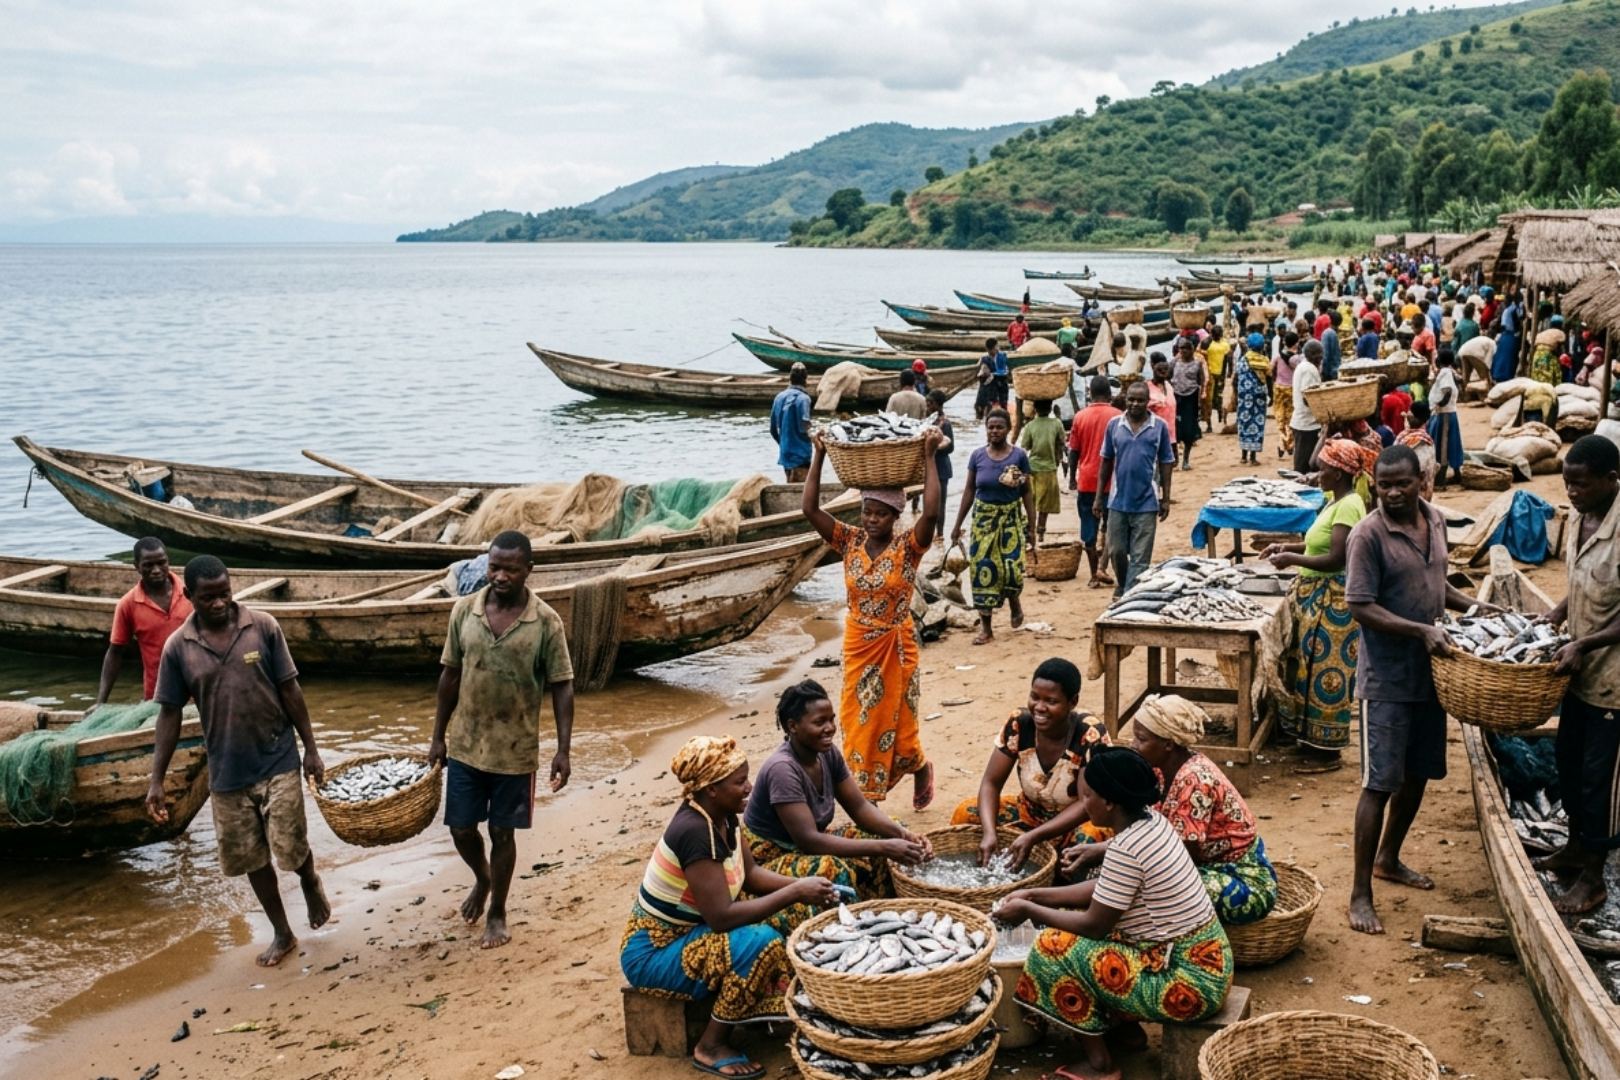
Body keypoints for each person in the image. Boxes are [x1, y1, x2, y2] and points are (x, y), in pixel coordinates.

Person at [998, 749, 1233, 1080]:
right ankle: (1126, 1031)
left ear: (1109, 803)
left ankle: (1100, 1067)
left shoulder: (1126, 850)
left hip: (1188, 986)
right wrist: (1035, 895)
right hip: (1210, 962)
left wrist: (1028, 909)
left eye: (1088, 795)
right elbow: (1104, 893)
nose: (1084, 802)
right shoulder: (1153, 821)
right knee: (1084, 929)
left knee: (1053, 948)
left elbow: (1094, 924)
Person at [146, 555, 329, 968]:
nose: (219, 603)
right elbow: (169, 714)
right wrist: (156, 780)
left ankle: (308, 879)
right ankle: (282, 932)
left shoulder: (262, 626)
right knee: (250, 857)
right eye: (208, 597)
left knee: (290, 845)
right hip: (227, 771)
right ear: (189, 595)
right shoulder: (179, 648)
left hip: (278, 756)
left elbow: (291, 690)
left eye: (225, 593)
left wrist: (311, 749)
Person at [621, 735, 836, 1080]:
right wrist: (796, 889)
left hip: (692, 931)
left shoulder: (724, 817)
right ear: (711, 789)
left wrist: (808, 891)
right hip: (654, 951)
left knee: (798, 912)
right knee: (759, 941)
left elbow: (749, 875)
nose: (749, 787)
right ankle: (711, 1045)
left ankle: (756, 1008)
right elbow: (721, 918)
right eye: (740, 782)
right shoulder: (694, 831)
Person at [1345, 446, 1491, 935]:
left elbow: (1437, 582)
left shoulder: (1436, 519)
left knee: (1419, 773)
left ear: (1421, 480)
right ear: (1374, 484)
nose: (1392, 492)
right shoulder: (1367, 535)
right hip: (1387, 678)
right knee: (1378, 783)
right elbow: (1361, 606)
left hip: (1434, 675)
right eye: (1383, 484)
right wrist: (1420, 630)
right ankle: (1361, 893)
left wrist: (1474, 608)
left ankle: (1390, 858)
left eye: (1401, 483)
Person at [428, 530, 574, 949]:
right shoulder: (464, 612)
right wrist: (438, 736)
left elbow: (562, 685)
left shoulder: (545, 622)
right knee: (459, 828)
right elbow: (450, 675)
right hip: (467, 744)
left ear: (529, 570)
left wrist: (563, 750)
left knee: (503, 834)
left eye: (511, 569)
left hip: (516, 749)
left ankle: (498, 911)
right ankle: (483, 877)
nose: (501, 576)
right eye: (494, 567)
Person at [804, 426, 945, 806]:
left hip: (896, 647)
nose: (871, 520)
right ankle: (868, 799)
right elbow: (810, 510)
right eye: (867, 512)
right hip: (858, 644)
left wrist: (930, 455)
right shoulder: (848, 541)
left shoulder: (908, 548)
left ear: (895, 516)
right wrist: (818, 454)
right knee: (856, 720)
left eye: (880, 514)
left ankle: (918, 768)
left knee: (900, 727)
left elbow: (931, 512)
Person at [1066, 697, 1278, 925]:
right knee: (1099, 857)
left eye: (1141, 739)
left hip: (1238, 876)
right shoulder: (1158, 768)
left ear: (1168, 744)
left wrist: (1105, 854)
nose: (1133, 744)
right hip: (1190, 860)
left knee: (1148, 887)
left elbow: (1177, 857)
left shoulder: (1194, 781)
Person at [1533, 436, 1620, 914]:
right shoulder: (1579, 518)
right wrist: (1557, 615)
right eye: (1567, 483)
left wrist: (1584, 643)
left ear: (1611, 480)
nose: (1572, 491)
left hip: (1614, 682)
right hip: (1580, 676)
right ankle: (1574, 848)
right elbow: (1582, 584)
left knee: (1600, 781)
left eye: (1581, 484)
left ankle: (1595, 876)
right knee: (1567, 763)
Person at [743, 680, 931, 900]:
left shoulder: (827, 753)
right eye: (819, 722)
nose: (830, 728)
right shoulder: (782, 769)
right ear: (793, 726)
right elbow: (809, 841)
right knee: (832, 869)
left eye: (831, 719)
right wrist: (883, 847)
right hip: (770, 857)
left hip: (810, 843)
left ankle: (883, 904)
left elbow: (860, 807)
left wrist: (903, 834)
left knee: (892, 828)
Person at [1264, 439, 1370, 771]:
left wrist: (1290, 558)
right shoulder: (1334, 500)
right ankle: (1309, 741)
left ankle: (1327, 752)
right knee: (1306, 671)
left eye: (1323, 468)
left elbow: (1337, 557)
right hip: (1316, 595)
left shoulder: (1350, 505)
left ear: (1338, 474)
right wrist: (1286, 545)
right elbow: (1317, 543)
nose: (1317, 473)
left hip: (1333, 600)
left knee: (1326, 675)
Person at [952, 658, 1112, 868]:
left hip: (1075, 823)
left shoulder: (1089, 734)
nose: (1039, 707)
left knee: (1088, 839)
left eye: (1051, 701)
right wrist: (989, 833)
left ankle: (1061, 889)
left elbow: (1085, 804)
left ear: (1072, 702)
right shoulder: (1019, 723)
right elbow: (991, 783)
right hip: (1030, 813)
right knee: (967, 811)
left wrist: (1034, 836)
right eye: (1034, 697)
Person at [952, 408, 1036, 644]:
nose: (994, 431)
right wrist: (957, 525)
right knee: (982, 571)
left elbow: (1027, 492)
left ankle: (1014, 603)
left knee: (1010, 570)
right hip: (983, 522)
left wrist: (1032, 525)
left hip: (1010, 520)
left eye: (999, 427)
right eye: (991, 427)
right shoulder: (977, 456)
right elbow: (969, 491)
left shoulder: (1018, 456)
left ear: (1009, 430)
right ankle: (986, 629)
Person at [93, 537, 194, 708]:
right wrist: (100, 702)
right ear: (137, 566)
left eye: (161, 563)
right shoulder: (128, 604)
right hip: (159, 696)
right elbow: (115, 652)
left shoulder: (190, 593)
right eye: (148, 565)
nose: (156, 570)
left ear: (168, 561)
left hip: (198, 689)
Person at [1095, 381, 1174, 597]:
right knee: (1117, 551)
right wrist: (1098, 497)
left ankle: (1128, 596)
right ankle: (1123, 585)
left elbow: (1167, 462)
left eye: (1140, 400)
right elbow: (1106, 461)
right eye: (1131, 399)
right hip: (1118, 501)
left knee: (1141, 557)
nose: (1135, 404)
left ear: (1148, 401)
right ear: (1125, 399)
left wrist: (1165, 498)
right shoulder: (1114, 425)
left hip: (1147, 502)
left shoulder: (1159, 427)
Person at [1071, 375, 1120, 589]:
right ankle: (1104, 566)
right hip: (1113, 481)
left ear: (1089, 393)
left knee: (1089, 529)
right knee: (1112, 527)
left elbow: (1074, 450)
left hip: (1088, 479)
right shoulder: (1118, 416)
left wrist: (1072, 476)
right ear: (1110, 394)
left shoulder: (1080, 417)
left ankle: (1093, 574)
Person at [1019, 398, 1066, 541]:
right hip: (1049, 469)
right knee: (1045, 505)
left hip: (1032, 468)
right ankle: (1040, 532)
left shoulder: (1030, 426)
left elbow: (1025, 447)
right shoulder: (1057, 424)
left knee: (1031, 503)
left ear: (1035, 409)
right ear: (1050, 407)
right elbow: (1062, 442)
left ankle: (1031, 530)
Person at [769, 363, 813, 482]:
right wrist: (817, 435)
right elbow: (805, 424)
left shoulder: (779, 397)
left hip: (786, 454)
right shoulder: (804, 399)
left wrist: (783, 443)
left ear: (790, 378)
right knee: (801, 491)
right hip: (801, 455)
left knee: (790, 485)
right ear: (806, 380)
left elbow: (773, 430)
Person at [1427, 349, 1462, 491]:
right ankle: (1457, 474)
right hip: (1448, 412)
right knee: (1452, 443)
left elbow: (1447, 390)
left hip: (1444, 414)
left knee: (1443, 445)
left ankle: (1441, 479)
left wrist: (1441, 404)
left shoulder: (1445, 373)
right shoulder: (1450, 372)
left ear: (1439, 360)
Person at [1234, 332, 1270, 466]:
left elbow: (1237, 375)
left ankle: (1243, 456)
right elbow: (1269, 373)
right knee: (1257, 423)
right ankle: (1253, 457)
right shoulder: (1263, 360)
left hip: (1244, 396)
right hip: (1259, 396)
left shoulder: (1243, 360)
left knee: (1244, 422)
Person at [1289, 338, 1324, 474]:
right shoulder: (1309, 370)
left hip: (1303, 421)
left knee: (1303, 461)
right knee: (1304, 465)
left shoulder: (1303, 366)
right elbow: (1308, 397)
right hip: (1307, 423)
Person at [1170, 336, 1205, 470]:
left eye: (1186, 348)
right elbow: (1168, 377)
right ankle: (1176, 458)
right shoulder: (1174, 363)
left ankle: (1186, 459)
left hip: (1191, 398)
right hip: (1176, 397)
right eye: (1181, 348)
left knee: (1189, 429)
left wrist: (1202, 395)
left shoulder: (1197, 364)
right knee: (1176, 428)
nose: (1183, 351)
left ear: (1192, 350)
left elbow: (1200, 380)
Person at [925, 389, 955, 541]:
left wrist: (935, 448)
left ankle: (940, 534)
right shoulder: (927, 422)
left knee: (940, 503)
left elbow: (951, 447)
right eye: (927, 403)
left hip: (941, 468)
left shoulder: (945, 424)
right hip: (929, 467)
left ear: (939, 405)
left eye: (931, 404)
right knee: (928, 502)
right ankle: (928, 533)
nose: (928, 406)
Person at [1397, 401, 1437, 499]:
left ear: (1415, 418)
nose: (1408, 414)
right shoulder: (1425, 439)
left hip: (1413, 491)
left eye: (1411, 412)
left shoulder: (1420, 441)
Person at [1272, 332, 1300, 460]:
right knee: (1290, 418)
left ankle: (1283, 443)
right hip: (1291, 389)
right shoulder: (1297, 359)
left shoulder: (1278, 356)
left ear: (1284, 342)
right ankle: (1290, 443)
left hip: (1278, 388)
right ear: (1296, 343)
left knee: (1280, 418)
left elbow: (1270, 369)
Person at [1146, 353, 1178, 452]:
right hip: (1152, 437)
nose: (1162, 373)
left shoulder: (1169, 386)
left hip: (1170, 436)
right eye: (1159, 370)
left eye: (1165, 371)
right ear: (1153, 368)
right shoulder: (1146, 388)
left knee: (1170, 464)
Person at [1492, 289, 1524, 383]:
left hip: (1506, 335)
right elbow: (1520, 318)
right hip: (1511, 335)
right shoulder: (1515, 307)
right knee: (1509, 358)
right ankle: (1505, 376)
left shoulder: (1509, 308)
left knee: (1502, 357)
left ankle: (1498, 375)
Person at [1203, 325, 1230, 431]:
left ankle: (1209, 424)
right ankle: (1222, 419)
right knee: (1220, 398)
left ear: (1212, 334)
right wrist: (1228, 373)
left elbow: (1200, 354)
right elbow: (1228, 360)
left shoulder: (1208, 345)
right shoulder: (1225, 345)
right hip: (1220, 375)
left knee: (1209, 400)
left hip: (1210, 375)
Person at [977, 337, 1010, 418]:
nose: (994, 350)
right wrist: (982, 373)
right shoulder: (984, 358)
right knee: (981, 405)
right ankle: (982, 416)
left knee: (1003, 404)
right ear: (988, 349)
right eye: (990, 350)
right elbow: (980, 370)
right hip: (988, 384)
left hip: (1000, 382)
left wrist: (992, 374)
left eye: (995, 348)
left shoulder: (1002, 356)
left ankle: (1003, 416)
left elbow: (1004, 370)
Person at [1320, 309, 1343, 380]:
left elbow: (1325, 355)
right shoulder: (1334, 333)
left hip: (1329, 371)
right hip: (1335, 369)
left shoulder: (1327, 333)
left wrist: (1323, 372)